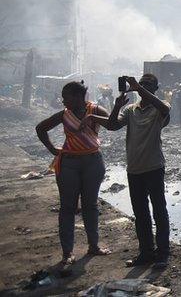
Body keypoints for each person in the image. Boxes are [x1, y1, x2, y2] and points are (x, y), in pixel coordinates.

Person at [35, 81, 114, 272]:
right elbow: (41, 128)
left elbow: (113, 124)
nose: (63, 100)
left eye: (66, 97)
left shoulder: (95, 109)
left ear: (79, 97)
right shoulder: (64, 114)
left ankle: (93, 246)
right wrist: (53, 149)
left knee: (91, 205)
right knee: (68, 208)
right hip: (69, 163)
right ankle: (67, 253)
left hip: (92, 162)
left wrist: (117, 105)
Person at [106, 74, 171, 269]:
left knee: (159, 211)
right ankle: (146, 252)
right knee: (140, 213)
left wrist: (137, 87)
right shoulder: (130, 110)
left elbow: (165, 108)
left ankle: (163, 253)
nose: (143, 87)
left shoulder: (161, 108)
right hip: (134, 168)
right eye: (141, 84)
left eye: (148, 85)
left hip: (154, 166)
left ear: (155, 89)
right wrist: (117, 105)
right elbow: (111, 126)